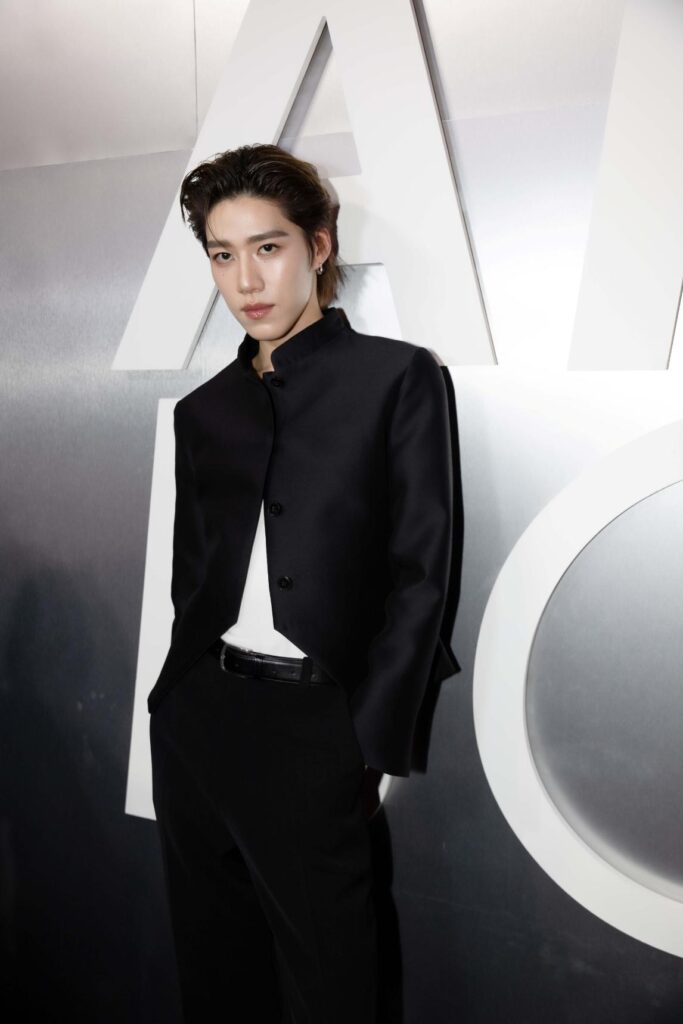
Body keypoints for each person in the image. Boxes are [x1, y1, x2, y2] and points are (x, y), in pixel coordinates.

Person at [147, 143, 461, 1023]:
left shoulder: (396, 378)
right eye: (222, 254)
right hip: (198, 721)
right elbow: (190, 576)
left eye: (267, 247)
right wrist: (171, 700)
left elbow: (421, 572)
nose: (245, 280)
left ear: (318, 246)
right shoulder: (204, 410)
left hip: (313, 726)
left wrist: (363, 741)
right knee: (216, 978)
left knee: (333, 990)